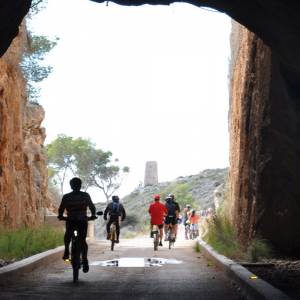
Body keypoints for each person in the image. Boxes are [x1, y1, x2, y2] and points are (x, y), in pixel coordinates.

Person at [57, 177, 96, 273]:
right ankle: (85, 260)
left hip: (70, 220)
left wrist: (61, 216)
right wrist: (93, 215)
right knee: (82, 240)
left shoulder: (66, 197)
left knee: (68, 235)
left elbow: (61, 209)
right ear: (80, 185)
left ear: (71, 186)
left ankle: (66, 251)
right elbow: (92, 207)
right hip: (82, 220)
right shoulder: (85, 195)